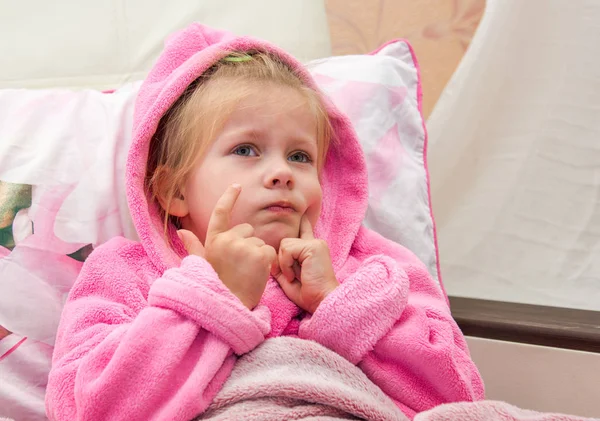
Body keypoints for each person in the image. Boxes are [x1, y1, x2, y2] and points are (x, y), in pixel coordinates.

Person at [45, 23, 484, 421]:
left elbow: (458, 396)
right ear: (174, 191)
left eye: (300, 156)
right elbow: (86, 409)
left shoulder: (376, 270)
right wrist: (212, 299)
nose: (283, 172)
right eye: (246, 150)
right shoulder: (124, 273)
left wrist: (337, 304)